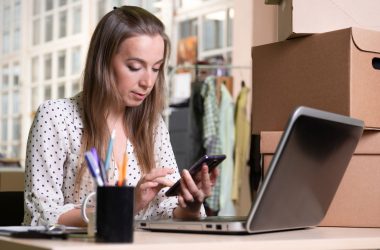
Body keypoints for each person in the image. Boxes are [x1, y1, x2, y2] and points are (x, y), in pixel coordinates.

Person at [23, 6, 218, 227]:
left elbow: (164, 208)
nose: (148, 82)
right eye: (135, 67)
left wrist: (189, 207)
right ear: (103, 62)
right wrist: (125, 205)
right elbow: (41, 215)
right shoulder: (56, 117)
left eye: (156, 68)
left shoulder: (152, 125)